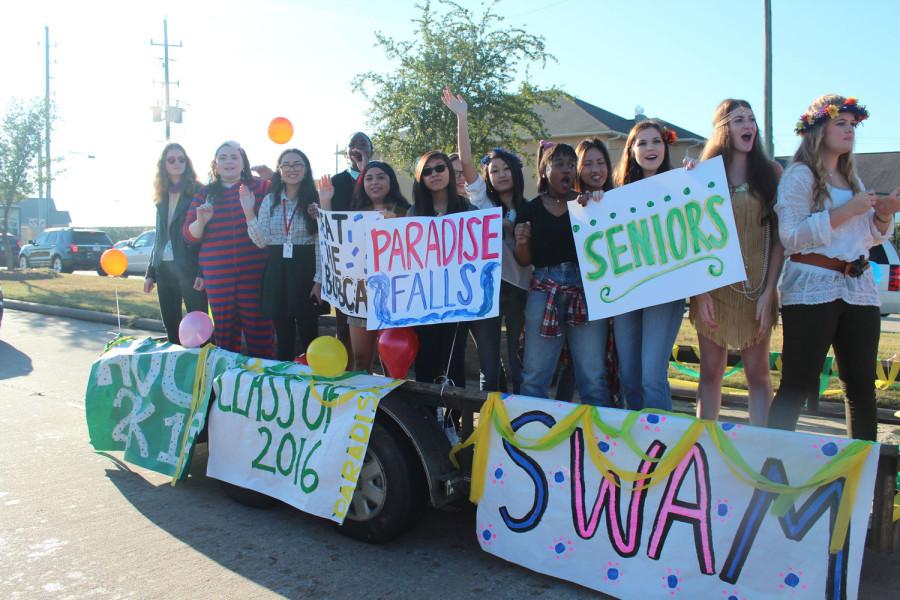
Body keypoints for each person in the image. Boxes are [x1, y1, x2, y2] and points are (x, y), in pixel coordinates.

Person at [768, 95, 900, 441]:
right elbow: (792, 236)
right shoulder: (800, 175)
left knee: (861, 388)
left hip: (858, 290)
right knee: (798, 382)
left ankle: (862, 476)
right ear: (818, 129)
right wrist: (848, 211)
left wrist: (883, 215)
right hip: (812, 287)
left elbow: (867, 237)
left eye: (852, 125)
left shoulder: (852, 178)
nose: (849, 130)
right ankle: (769, 464)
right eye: (841, 123)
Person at [688, 100, 783, 426]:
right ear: (723, 128)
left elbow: (780, 239)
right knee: (710, 374)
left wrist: (769, 292)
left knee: (758, 376)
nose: (749, 126)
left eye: (752, 119)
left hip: (758, 291)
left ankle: (762, 448)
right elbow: (692, 239)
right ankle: (704, 448)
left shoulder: (771, 173)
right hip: (714, 291)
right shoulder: (702, 175)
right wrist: (699, 295)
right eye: (739, 119)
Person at [442, 87, 531, 392]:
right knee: (489, 366)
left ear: (516, 172)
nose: (501, 174)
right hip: (487, 291)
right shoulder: (482, 202)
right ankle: (486, 427)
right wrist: (462, 117)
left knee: (520, 362)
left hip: (522, 291)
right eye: (494, 170)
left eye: (506, 169)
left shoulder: (530, 208)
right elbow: (465, 162)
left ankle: (522, 422)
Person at [514, 141, 612, 407]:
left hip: (584, 291)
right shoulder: (530, 209)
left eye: (571, 164)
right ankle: (530, 435)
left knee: (593, 376)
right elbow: (524, 261)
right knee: (535, 375)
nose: (567, 169)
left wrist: (592, 206)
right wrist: (522, 243)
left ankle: (601, 441)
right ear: (545, 171)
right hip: (543, 291)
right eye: (560, 165)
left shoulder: (587, 204)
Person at [609, 120, 684, 411]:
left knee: (652, 376)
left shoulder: (682, 184)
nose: (650, 148)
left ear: (665, 146)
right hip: (628, 293)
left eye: (656, 141)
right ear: (631, 150)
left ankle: (662, 446)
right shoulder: (614, 195)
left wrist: (696, 177)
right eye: (642, 142)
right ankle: (634, 447)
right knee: (629, 377)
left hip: (665, 292)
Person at [184, 141, 273, 358]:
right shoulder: (205, 194)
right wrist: (201, 221)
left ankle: (260, 385)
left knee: (260, 333)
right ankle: (227, 385)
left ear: (243, 163)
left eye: (234, 157)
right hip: (218, 277)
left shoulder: (261, 188)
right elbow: (188, 234)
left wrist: (274, 178)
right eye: (222, 157)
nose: (228, 162)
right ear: (215, 165)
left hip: (255, 275)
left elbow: (291, 192)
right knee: (225, 337)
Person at [320, 161, 410, 372]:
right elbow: (332, 234)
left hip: (395, 298)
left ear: (391, 181)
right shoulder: (353, 214)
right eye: (369, 178)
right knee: (361, 361)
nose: (374, 182)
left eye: (380, 177)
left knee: (393, 363)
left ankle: (391, 405)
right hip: (361, 297)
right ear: (362, 184)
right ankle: (364, 405)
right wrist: (325, 201)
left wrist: (397, 224)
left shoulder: (408, 212)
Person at [243, 148, 322, 361]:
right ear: (279, 170)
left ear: (306, 170)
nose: (292, 169)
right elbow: (261, 241)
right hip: (277, 269)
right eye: (286, 164)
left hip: (305, 269)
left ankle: (313, 378)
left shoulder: (315, 201)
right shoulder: (270, 200)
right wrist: (248, 211)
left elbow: (320, 245)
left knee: (308, 329)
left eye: (298, 164)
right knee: (282, 330)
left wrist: (319, 281)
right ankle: (285, 379)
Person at [408, 150, 472, 387]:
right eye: (427, 171)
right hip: (425, 299)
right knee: (426, 360)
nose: (434, 174)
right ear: (420, 178)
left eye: (439, 168)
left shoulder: (469, 210)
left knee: (454, 360)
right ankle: (427, 416)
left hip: (460, 298)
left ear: (449, 171)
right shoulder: (414, 213)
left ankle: (452, 421)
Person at [144, 143, 208, 345]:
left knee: (199, 327)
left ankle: (201, 371)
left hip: (189, 268)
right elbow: (159, 236)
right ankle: (177, 370)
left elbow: (206, 236)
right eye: (171, 160)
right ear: (164, 164)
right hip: (165, 269)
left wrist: (201, 271)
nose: (177, 163)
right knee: (172, 326)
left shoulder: (198, 191)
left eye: (181, 159)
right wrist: (151, 272)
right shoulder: (161, 195)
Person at [328, 132, 373, 359]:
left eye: (363, 144)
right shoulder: (336, 181)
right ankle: (345, 371)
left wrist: (365, 169)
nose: (357, 147)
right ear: (346, 152)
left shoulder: (378, 176)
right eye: (353, 144)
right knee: (344, 322)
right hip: (346, 263)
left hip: (375, 261)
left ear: (371, 150)